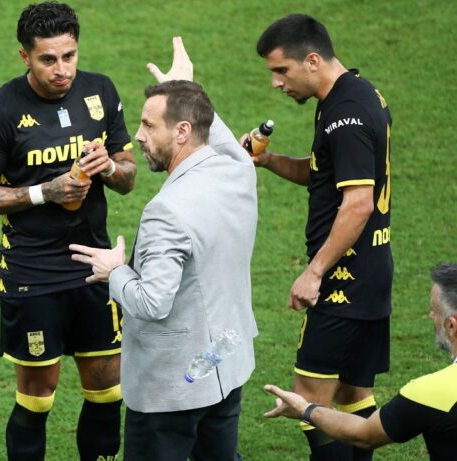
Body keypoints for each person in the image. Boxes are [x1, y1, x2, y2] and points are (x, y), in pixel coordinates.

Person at [70, 41, 259, 460]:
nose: (137, 135)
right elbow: (219, 137)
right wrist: (185, 88)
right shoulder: (238, 168)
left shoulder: (166, 211)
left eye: (148, 126)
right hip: (224, 362)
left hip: (174, 387)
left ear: (182, 132)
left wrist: (114, 270)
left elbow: (152, 303)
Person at [0, 3, 136, 460]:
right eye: (48, 59)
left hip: (95, 266)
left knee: (108, 390)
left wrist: (109, 167)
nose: (62, 70)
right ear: (25, 56)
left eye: (69, 56)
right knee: (38, 395)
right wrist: (45, 192)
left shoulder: (101, 91)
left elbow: (128, 176)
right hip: (32, 273)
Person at [250, 14, 393, 460]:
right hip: (372, 273)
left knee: (307, 401)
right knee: (353, 396)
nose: (276, 83)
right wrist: (270, 161)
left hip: (343, 280)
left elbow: (358, 203)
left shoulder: (344, 116)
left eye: (282, 70)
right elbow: (325, 175)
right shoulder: (356, 93)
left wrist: (314, 272)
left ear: (312, 60)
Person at [263, 263, 457, 461]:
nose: (430, 316)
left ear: (451, 326)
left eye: (434, 311)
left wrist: (304, 409)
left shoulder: (431, 393)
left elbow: (364, 434)